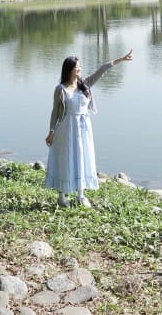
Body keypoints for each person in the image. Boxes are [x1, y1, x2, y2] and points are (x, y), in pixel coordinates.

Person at [45, 49, 133, 207]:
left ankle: (80, 195)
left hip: (84, 129)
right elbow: (54, 112)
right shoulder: (60, 89)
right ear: (69, 70)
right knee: (66, 159)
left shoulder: (85, 84)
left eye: (80, 67)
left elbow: (102, 69)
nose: (79, 69)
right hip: (66, 129)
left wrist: (121, 59)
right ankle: (62, 197)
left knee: (82, 158)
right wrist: (51, 131)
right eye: (76, 67)